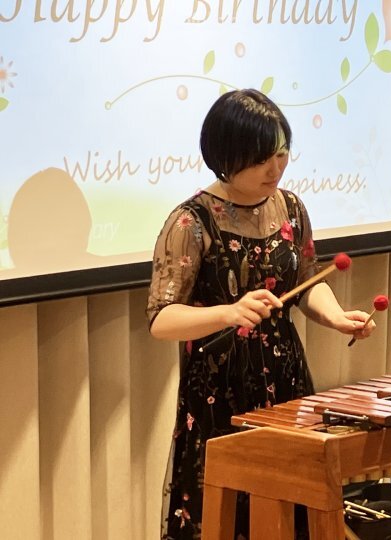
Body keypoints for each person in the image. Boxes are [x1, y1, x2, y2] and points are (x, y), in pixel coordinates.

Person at [146, 88, 376, 539]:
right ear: (226, 157)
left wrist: (335, 317)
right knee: (228, 516)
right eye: (260, 159)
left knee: (295, 508)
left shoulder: (290, 208)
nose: (276, 168)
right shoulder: (191, 222)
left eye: (281, 153)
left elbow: (307, 280)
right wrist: (229, 313)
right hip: (219, 391)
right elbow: (161, 319)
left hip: (286, 379)